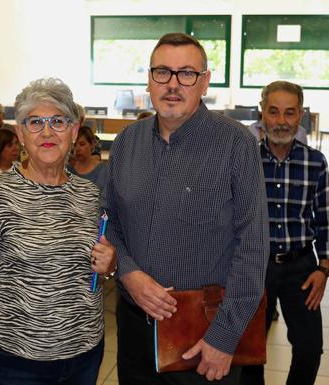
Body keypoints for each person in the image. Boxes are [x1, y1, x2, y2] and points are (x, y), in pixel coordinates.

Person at [104, 32, 269, 384]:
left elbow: (253, 248)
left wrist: (224, 338)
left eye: (187, 74)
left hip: (203, 333)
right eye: (162, 72)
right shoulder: (126, 142)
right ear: (149, 80)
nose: (173, 84)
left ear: (204, 81)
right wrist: (129, 272)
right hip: (134, 328)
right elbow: (111, 222)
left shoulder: (236, 144)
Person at [0, 78, 117, 385]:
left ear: (73, 131)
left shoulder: (90, 194)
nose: (46, 132)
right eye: (35, 122)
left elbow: (103, 263)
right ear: (20, 133)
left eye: (58, 121)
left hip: (83, 356)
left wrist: (112, 263)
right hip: (13, 362)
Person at [240, 81, 327, 385]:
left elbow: (325, 220)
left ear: (300, 114)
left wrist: (324, 268)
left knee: (310, 349)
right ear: (261, 112)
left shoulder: (315, 162)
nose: (280, 121)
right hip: (255, 266)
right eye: (273, 111)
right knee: (250, 351)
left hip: (301, 268)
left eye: (289, 113)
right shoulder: (246, 160)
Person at [68, 126, 108, 190]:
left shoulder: (103, 170)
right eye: (75, 145)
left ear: (92, 144)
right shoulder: (68, 169)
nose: (77, 149)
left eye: (82, 144)